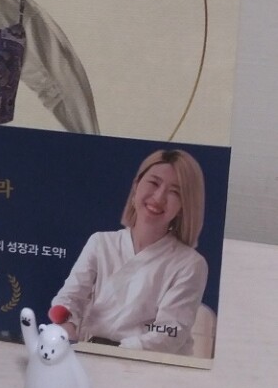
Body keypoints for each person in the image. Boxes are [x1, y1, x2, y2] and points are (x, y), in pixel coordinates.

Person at [49, 149, 208, 355]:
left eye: (175, 192)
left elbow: (170, 332)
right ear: (136, 186)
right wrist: (67, 326)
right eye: (154, 183)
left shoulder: (190, 264)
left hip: (147, 362)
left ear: (184, 206)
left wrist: (117, 351)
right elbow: (70, 297)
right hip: (89, 352)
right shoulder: (101, 242)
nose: (159, 197)